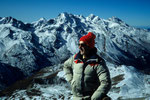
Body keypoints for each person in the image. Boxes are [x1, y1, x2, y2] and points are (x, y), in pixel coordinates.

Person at [63, 32, 111, 100]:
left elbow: (106, 82)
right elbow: (66, 66)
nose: (79, 47)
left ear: (89, 46)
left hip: (89, 97)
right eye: (79, 44)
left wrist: (95, 98)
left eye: (82, 45)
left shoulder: (98, 62)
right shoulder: (75, 58)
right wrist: (71, 80)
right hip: (76, 97)